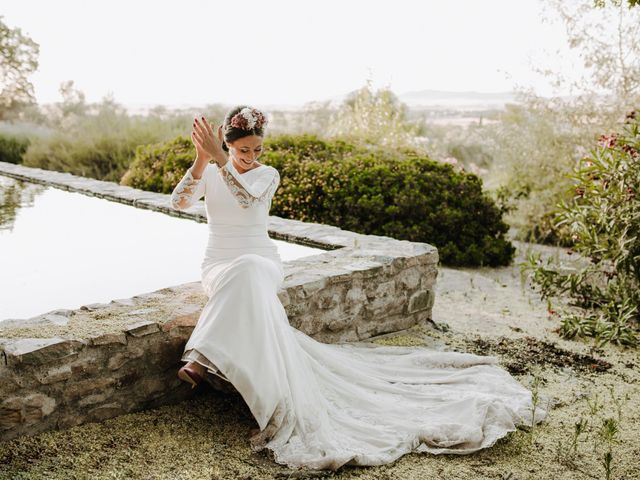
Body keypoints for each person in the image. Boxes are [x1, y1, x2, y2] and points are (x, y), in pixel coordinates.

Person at [170, 105, 548, 471]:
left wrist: (221, 159)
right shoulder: (214, 168)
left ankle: (201, 358)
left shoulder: (267, 175)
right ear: (228, 143)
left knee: (251, 267)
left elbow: (248, 201)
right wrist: (203, 160)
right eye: (242, 150)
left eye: (256, 149)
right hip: (219, 265)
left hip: (262, 261)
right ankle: (207, 360)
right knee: (240, 272)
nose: (251, 156)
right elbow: (179, 201)